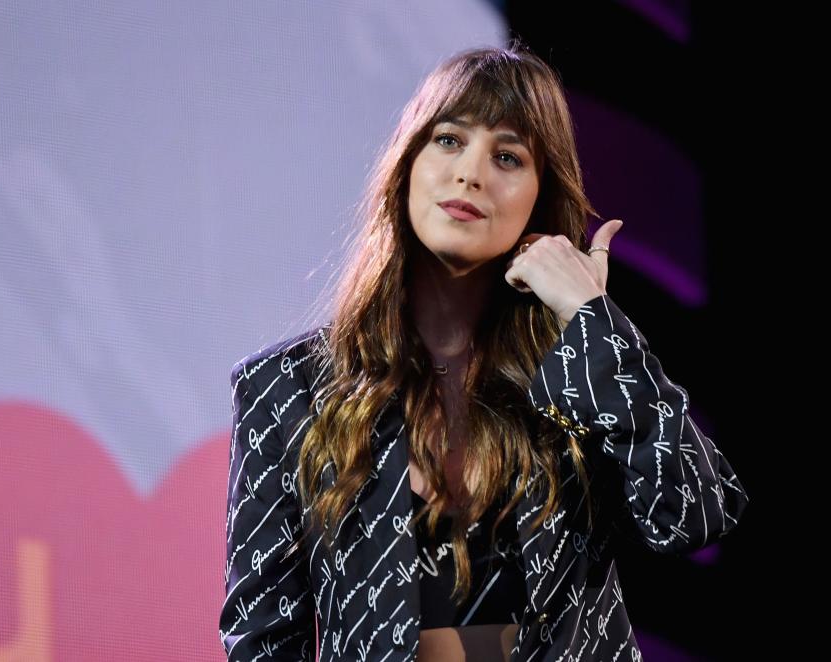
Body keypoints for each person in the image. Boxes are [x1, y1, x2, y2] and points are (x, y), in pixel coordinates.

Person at [219, 41, 748, 662]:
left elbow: (694, 515)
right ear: (406, 164)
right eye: (448, 140)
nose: (471, 172)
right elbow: (261, 640)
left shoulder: (579, 371)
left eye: (508, 156)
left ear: (539, 198)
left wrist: (592, 321)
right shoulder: (287, 390)